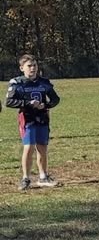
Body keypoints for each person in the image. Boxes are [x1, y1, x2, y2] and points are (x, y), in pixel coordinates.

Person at [6, 54, 60, 191]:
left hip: (42, 118)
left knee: (42, 147)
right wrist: (28, 103)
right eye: (29, 66)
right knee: (28, 147)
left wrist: (46, 105)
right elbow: (9, 102)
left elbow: (55, 99)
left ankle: (43, 177)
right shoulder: (17, 83)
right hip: (27, 118)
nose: (33, 68)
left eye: (34, 65)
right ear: (21, 68)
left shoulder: (44, 83)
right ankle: (25, 178)